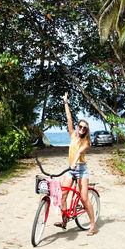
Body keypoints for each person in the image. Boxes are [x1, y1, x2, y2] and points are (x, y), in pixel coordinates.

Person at [54, 92, 96, 235]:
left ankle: (92, 224)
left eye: (85, 128)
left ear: (86, 130)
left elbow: (79, 153)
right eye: (80, 126)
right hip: (71, 169)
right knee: (63, 195)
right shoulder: (73, 135)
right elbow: (69, 118)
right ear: (77, 126)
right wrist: (65, 102)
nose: (82, 129)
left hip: (81, 169)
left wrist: (75, 163)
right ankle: (64, 221)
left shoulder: (86, 141)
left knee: (84, 198)